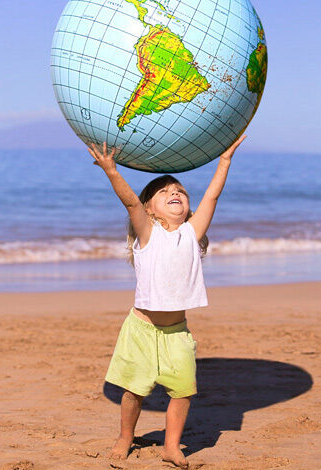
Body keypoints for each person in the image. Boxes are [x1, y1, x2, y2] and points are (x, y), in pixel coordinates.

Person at [88, 135, 246, 468]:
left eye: (179, 191)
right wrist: (111, 171)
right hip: (141, 330)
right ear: (149, 208)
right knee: (134, 391)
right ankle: (125, 437)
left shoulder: (192, 233)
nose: (174, 193)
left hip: (177, 332)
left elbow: (213, 196)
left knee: (183, 390)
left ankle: (171, 446)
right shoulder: (148, 233)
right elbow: (130, 202)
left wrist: (225, 161)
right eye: (164, 192)